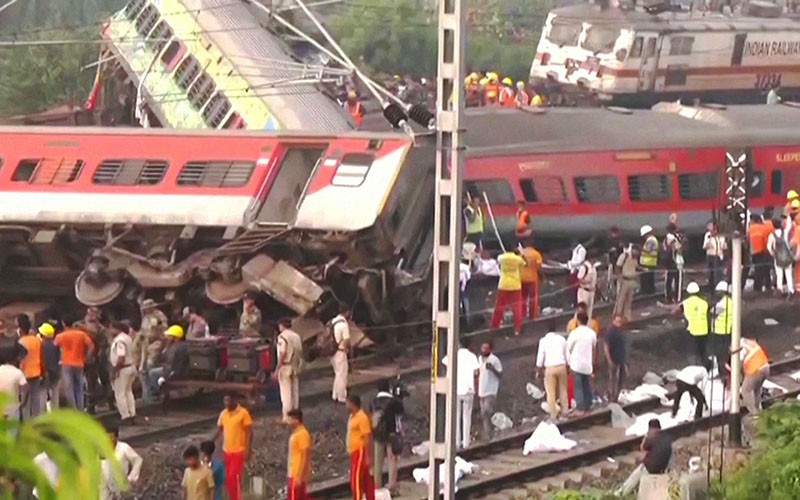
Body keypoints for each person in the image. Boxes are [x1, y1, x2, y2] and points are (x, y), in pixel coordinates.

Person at [441, 337, 480, 449]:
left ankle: (457, 442)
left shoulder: (453, 355)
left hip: (455, 389)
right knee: (467, 416)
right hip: (468, 389)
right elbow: (476, 372)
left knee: (456, 416)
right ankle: (466, 443)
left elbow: (444, 362)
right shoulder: (472, 356)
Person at [213, 392, 253, 500]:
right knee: (228, 479)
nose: (226, 403)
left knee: (234, 477)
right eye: (225, 400)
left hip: (239, 451)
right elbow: (220, 429)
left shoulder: (243, 413)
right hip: (226, 451)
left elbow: (249, 432)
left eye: (228, 400)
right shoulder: (223, 414)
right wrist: (211, 441)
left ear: (235, 400)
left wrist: (248, 449)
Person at [618, 420, 673, 495]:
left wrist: (645, 438)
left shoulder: (652, 437)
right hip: (664, 468)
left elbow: (642, 448)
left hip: (652, 468)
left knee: (637, 473)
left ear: (650, 428)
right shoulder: (666, 437)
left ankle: (622, 492)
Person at [370, 380, 403, 492]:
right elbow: (401, 412)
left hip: (377, 434)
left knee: (377, 461)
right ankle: (392, 485)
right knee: (392, 459)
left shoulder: (373, 401)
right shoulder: (393, 401)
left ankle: (376, 485)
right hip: (391, 433)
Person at [54, 319, 94, 409]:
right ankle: (81, 408)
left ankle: (73, 408)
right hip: (79, 363)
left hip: (65, 363)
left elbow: (54, 347)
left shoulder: (60, 336)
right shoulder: (81, 334)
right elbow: (91, 346)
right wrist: (87, 357)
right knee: (79, 387)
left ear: (63, 323)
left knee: (69, 388)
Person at [136, 298, 168, 403]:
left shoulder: (159, 316)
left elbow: (164, 330)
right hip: (145, 344)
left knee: (150, 366)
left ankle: (154, 392)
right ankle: (147, 393)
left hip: (156, 343)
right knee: (142, 369)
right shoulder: (145, 317)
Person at [536, 320, 569, 420]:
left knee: (551, 393)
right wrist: (568, 366)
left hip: (550, 368)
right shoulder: (562, 339)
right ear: (555, 329)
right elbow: (567, 354)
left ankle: (554, 415)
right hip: (561, 365)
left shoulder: (543, 341)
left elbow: (540, 357)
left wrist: (539, 370)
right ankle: (565, 412)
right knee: (563, 390)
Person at [490, 249, 526, 335]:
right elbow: (524, 264)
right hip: (515, 285)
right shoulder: (518, 259)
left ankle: (495, 326)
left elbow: (498, 261)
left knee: (499, 307)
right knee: (517, 308)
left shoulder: (501, 257)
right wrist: (520, 253)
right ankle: (517, 328)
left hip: (503, 284)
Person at [100, 426, 143, 500]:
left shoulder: (123, 448)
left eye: (111, 437)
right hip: (105, 484)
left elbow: (138, 460)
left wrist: (131, 478)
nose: (109, 440)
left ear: (116, 437)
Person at [83, 307, 112, 414]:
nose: (92, 316)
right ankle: (91, 406)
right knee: (91, 382)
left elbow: (105, 344)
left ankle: (110, 402)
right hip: (87, 358)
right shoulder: (82, 327)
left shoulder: (101, 329)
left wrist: (99, 356)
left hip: (99, 358)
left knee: (105, 379)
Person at [567, 312, 597, 415]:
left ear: (578, 320)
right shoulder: (592, 333)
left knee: (578, 387)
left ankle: (580, 408)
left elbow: (568, 348)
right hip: (587, 364)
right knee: (586, 385)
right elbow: (594, 348)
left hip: (576, 364)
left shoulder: (574, 333)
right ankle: (589, 404)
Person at [346, 394, 375, 500]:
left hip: (360, 452)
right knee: (366, 480)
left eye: (348, 403)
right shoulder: (352, 416)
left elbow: (367, 437)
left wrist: (368, 456)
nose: (346, 406)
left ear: (353, 404)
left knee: (356, 481)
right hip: (354, 452)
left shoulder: (362, 418)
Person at [148, 325, 190, 397]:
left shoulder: (180, 348)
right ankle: (156, 392)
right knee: (151, 370)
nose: (168, 337)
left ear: (176, 337)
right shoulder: (171, 346)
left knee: (153, 373)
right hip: (168, 368)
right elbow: (163, 358)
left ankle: (157, 393)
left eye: (170, 336)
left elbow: (177, 366)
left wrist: (165, 376)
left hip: (174, 372)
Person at [17, 314, 44, 419]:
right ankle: (36, 421)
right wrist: (43, 371)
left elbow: (20, 359)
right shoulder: (36, 340)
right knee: (35, 399)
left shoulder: (20, 342)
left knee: (24, 401)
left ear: (20, 329)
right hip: (36, 373)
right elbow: (41, 357)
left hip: (24, 374)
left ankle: (27, 423)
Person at [677, 282, 711, 368]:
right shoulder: (704, 302)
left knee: (693, 352)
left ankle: (695, 368)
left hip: (692, 330)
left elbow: (675, 311)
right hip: (704, 330)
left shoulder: (685, 303)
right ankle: (705, 367)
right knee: (703, 351)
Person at [109, 322, 137, 424]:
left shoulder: (119, 341)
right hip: (131, 366)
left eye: (111, 328)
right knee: (128, 391)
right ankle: (132, 413)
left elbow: (121, 357)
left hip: (122, 369)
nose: (110, 331)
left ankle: (125, 416)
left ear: (117, 329)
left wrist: (115, 370)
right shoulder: (128, 338)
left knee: (120, 393)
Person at [276, 318, 303, 423]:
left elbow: (282, 353)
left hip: (285, 366)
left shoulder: (282, 337)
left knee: (286, 393)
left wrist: (277, 368)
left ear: (282, 326)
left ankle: (287, 417)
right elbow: (300, 352)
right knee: (295, 391)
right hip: (295, 365)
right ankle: (295, 415)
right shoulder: (297, 336)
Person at [478, 342, 503, 440]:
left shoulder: (494, 360)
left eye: (486, 348)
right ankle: (489, 434)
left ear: (490, 349)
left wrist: (492, 369)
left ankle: (491, 434)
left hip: (491, 390)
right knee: (484, 414)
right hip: (481, 391)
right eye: (483, 348)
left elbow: (500, 375)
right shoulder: (479, 359)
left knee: (487, 412)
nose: (484, 350)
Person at [738, 337, 769, 415]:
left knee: (745, 391)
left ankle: (754, 414)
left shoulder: (739, 346)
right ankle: (759, 411)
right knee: (756, 390)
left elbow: (739, 361)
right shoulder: (748, 342)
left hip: (755, 369)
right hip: (765, 367)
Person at [286, 409, 312, 500]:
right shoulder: (297, 433)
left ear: (296, 420)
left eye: (290, 420)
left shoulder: (302, 434)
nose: (288, 422)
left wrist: (300, 476)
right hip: (294, 472)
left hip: (296, 473)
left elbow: (305, 455)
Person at [768, 220, 795, 297]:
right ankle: (791, 290)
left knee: (779, 275)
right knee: (788, 274)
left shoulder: (772, 235)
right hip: (787, 256)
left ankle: (780, 291)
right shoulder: (785, 233)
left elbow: (769, 247)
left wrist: (773, 254)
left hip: (778, 258)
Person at [0, 345, 28, 420]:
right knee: (12, 430)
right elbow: (25, 389)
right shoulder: (18, 373)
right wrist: (23, 402)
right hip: (13, 408)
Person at [330, 305, 351, 403]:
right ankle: (342, 397)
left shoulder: (332, 322)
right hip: (340, 351)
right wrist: (348, 349)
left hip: (332, 352)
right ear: (346, 312)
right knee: (342, 375)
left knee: (337, 374)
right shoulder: (343, 324)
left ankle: (335, 394)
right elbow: (346, 340)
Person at [604, 315, 627, 403]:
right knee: (613, 379)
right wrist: (609, 360)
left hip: (621, 359)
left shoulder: (621, 331)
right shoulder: (611, 332)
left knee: (620, 378)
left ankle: (616, 396)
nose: (618, 323)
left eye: (620, 322)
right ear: (613, 321)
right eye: (617, 321)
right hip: (614, 359)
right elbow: (606, 346)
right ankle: (612, 396)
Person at [711, 281, 732, 375]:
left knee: (720, 355)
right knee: (727, 354)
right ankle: (727, 372)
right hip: (728, 330)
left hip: (719, 331)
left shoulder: (722, 303)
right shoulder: (731, 301)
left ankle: (722, 373)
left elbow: (713, 312)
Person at [613, 244, 638, 322]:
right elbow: (617, 267)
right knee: (620, 300)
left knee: (629, 301)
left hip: (631, 281)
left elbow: (635, 267)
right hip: (624, 280)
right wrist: (619, 278)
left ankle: (627, 318)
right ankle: (617, 317)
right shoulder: (624, 256)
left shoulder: (635, 258)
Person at [39, 323, 60, 410]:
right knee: (55, 393)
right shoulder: (55, 344)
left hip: (45, 372)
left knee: (42, 394)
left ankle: (43, 414)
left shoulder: (40, 344)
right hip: (56, 371)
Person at [749, 213, 773, 292]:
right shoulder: (766, 228)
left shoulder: (750, 228)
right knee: (766, 270)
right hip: (764, 251)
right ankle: (767, 286)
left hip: (754, 252)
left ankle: (757, 287)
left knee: (758, 270)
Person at [519, 239, 542, 320]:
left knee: (522, 298)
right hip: (532, 279)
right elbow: (539, 267)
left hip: (521, 278)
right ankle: (532, 316)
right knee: (533, 299)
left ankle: (522, 315)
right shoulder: (536, 254)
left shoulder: (521, 253)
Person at [703, 222, 726, 289]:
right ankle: (711, 287)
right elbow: (705, 246)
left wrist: (722, 243)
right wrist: (709, 240)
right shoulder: (708, 235)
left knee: (718, 273)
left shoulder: (720, 236)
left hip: (718, 256)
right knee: (710, 273)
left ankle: (718, 287)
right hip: (710, 255)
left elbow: (723, 246)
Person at [662, 223, 681, 303]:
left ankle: (668, 297)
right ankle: (677, 297)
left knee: (668, 279)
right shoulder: (674, 239)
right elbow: (679, 249)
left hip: (667, 261)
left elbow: (664, 248)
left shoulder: (665, 239)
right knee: (677, 279)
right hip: (674, 261)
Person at [639, 225, 658, 295]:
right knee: (649, 278)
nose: (644, 237)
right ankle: (649, 290)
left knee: (646, 278)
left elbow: (650, 250)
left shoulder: (651, 240)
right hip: (649, 262)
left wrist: (640, 249)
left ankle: (647, 291)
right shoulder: (650, 240)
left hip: (648, 262)